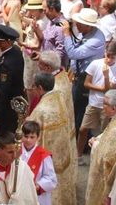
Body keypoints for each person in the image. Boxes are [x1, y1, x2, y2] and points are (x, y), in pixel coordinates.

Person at [26, 72, 74, 205]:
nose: (32, 89)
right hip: (62, 153)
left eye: (34, 86)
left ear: (40, 88)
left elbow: (29, 131)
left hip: (45, 158)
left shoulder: (41, 110)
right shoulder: (59, 99)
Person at [84, 90, 116, 205]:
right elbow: (106, 136)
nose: (102, 106)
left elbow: (108, 156)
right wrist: (98, 139)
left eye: (105, 104)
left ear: (114, 109)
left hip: (109, 181)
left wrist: (95, 144)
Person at [0, 25, 25, 135]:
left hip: (7, 108)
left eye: (0, 41)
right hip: (15, 102)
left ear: (8, 42)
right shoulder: (15, 51)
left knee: (4, 136)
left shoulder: (7, 64)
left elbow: (3, 92)